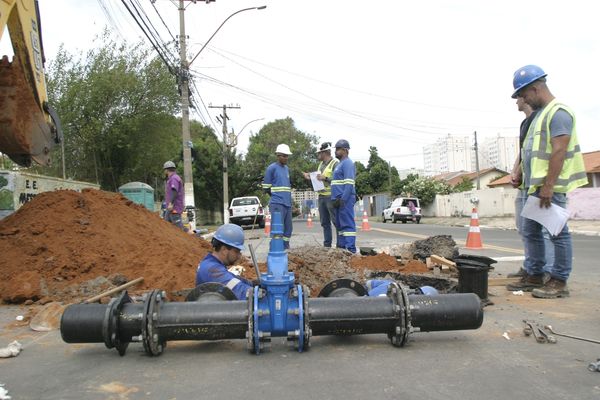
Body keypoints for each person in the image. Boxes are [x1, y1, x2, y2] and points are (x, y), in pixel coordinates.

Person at [507, 65, 587, 299]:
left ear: (535, 88)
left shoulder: (559, 112)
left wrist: (549, 186)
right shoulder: (539, 115)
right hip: (533, 186)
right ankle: (535, 274)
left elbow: (559, 150)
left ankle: (559, 280)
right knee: (531, 231)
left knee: (557, 233)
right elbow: (530, 150)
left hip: (549, 187)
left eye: (523, 94)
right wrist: (521, 172)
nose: (523, 99)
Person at [507, 98, 554, 279]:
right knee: (525, 228)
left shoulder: (541, 119)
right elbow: (524, 150)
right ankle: (531, 267)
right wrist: (515, 171)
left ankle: (547, 272)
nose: (516, 101)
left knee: (544, 229)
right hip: (527, 183)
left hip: (539, 182)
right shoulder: (526, 123)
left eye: (519, 96)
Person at [195, 224, 253, 300]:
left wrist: (252, 283)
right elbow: (242, 292)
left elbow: (232, 278)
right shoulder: (212, 269)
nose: (239, 255)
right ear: (224, 250)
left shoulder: (212, 263)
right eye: (236, 251)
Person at [303, 142, 340, 247]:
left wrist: (326, 178)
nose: (317, 155)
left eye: (319, 153)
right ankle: (327, 245)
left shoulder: (335, 164)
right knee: (325, 223)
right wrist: (310, 176)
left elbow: (339, 180)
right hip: (322, 197)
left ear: (325, 152)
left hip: (331, 196)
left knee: (336, 222)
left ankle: (339, 246)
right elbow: (318, 178)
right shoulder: (321, 165)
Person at [262, 144, 293, 249]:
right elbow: (266, 187)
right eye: (284, 156)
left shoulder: (286, 169)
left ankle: (285, 247)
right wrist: (276, 196)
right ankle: (275, 249)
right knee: (277, 229)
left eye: (287, 156)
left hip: (287, 204)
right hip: (277, 204)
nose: (286, 158)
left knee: (288, 229)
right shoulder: (272, 168)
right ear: (278, 155)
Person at [331, 139, 357, 253]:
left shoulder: (347, 163)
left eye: (338, 149)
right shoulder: (340, 164)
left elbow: (349, 184)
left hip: (344, 200)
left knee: (347, 225)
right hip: (337, 200)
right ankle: (341, 249)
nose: (335, 151)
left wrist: (343, 199)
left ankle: (350, 250)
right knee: (340, 226)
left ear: (345, 150)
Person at [163, 160, 184, 230]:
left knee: (179, 228)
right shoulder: (173, 178)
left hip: (174, 208)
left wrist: (171, 203)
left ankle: (195, 237)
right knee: (166, 226)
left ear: (166, 170)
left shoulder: (174, 178)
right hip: (171, 209)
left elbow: (175, 191)